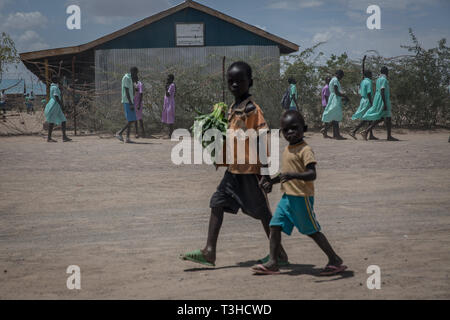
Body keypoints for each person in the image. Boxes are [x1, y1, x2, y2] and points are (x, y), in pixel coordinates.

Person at [180, 61, 288, 267]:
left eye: (240, 81)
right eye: (231, 81)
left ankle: (280, 254)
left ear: (251, 82)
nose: (235, 85)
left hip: (250, 170)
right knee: (217, 202)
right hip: (233, 170)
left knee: (264, 214)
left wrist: (265, 173)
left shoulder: (251, 109)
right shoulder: (233, 107)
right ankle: (209, 251)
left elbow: (260, 139)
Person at [251, 110, 346, 276]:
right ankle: (273, 262)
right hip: (287, 198)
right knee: (274, 226)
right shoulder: (288, 149)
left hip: (301, 199)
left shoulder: (305, 150)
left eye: (294, 128)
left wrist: (292, 176)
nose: (290, 132)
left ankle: (335, 259)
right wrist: (270, 181)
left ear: (305, 128)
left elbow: (312, 174)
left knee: (312, 231)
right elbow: (284, 174)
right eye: (286, 130)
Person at [360, 67, 398, 141]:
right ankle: (389, 136)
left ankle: (366, 131)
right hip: (383, 99)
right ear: (386, 72)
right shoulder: (384, 79)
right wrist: (384, 103)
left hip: (378, 99)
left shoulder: (378, 79)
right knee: (388, 118)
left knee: (381, 118)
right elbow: (382, 90)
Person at [349, 56, 377, 140]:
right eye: (371, 74)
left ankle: (369, 134)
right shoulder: (368, 82)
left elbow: (363, 74)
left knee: (369, 118)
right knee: (367, 118)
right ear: (368, 75)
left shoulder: (363, 81)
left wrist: (363, 63)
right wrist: (372, 103)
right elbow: (369, 92)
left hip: (363, 100)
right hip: (367, 101)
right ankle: (354, 131)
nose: (372, 75)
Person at [321, 70, 348, 140]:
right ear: (336, 74)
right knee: (336, 117)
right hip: (334, 99)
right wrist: (344, 96)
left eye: (342, 76)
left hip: (334, 98)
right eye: (340, 75)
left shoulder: (333, 80)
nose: (341, 77)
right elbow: (336, 92)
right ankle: (337, 135)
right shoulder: (335, 80)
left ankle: (335, 134)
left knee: (335, 117)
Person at [44, 76, 72, 142]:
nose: (59, 80)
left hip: (55, 104)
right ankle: (49, 138)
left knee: (63, 120)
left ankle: (64, 137)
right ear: (56, 80)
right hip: (55, 104)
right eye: (58, 79)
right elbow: (56, 96)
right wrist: (61, 104)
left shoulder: (52, 86)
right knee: (52, 121)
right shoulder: (55, 87)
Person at [116, 67, 138, 143]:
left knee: (132, 119)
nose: (136, 74)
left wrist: (136, 82)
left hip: (131, 101)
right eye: (135, 72)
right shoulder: (126, 78)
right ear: (132, 71)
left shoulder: (132, 79)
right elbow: (126, 91)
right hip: (127, 101)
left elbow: (135, 90)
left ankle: (127, 138)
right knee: (131, 120)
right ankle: (119, 133)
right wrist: (131, 103)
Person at [161, 74, 176, 138]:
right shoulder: (170, 85)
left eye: (168, 78)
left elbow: (168, 95)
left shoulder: (172, 85)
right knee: (167, 118)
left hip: (170, 104)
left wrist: (166, 88)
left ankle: (171, 134)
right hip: (167, 103)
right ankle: (169, 133)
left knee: (170, 119)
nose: (167, 79)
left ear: (172, 79)